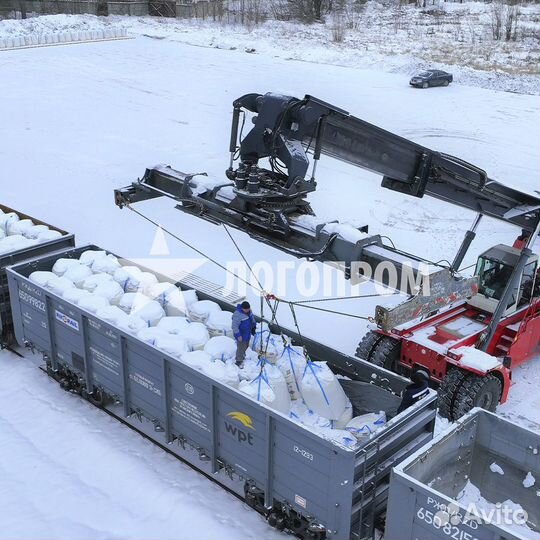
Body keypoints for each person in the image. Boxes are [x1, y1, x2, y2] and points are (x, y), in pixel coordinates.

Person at [232, 301, 256, 367]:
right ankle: (238, 361)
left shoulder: (249, 312)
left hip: (247, 333)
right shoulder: (237, 315)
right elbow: (234, 326)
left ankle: (244, 356)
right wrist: (238, 335)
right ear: (242, 308)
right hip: (241, 335)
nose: (247, 310)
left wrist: (253, 327)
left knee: (246, 346)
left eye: (248, 309)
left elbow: (252, 319)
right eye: (246, 309)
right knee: (240, 348)